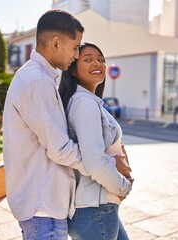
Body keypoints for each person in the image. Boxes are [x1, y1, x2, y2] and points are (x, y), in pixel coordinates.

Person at [3, 10, 131, 240]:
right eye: (75, 47)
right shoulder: (37, 82)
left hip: (48, 205)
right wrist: (111, 171)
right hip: (42, 206)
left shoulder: (41, 79)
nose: (75, 54)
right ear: (55, 43)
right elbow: (60, 148)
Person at [59, 42, 133, 240]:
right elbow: (95, 162)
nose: (97, 63)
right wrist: (124, 186)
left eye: (101, 59)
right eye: (88, 59)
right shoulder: (84, 103)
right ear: (73, 70)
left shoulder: (88, 101)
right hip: (95, 210)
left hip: (99, 208)